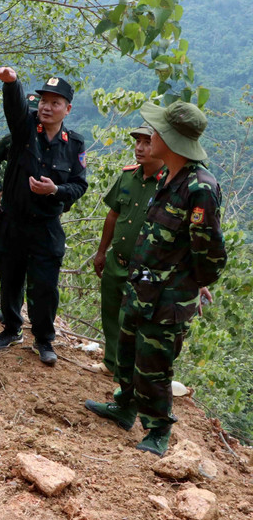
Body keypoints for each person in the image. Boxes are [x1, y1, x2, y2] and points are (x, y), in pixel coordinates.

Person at [85, 101, 227, 456]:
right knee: (129, 351)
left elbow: (210, 257)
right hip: (141, 287)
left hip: (168, 299)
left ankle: (158, 430)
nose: (151, 135)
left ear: (173, 140)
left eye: (158, 131)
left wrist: (188, 289)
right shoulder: (167, 177)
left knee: (154, 365)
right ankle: (124, 407)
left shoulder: (200, 189)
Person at [0, 68, 88, 365]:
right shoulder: (24, 130)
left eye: (54, 102)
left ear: (67, 109)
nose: (46, 106)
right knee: (9, 278)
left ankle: (43, 340)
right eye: (43, 100)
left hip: (46, 226)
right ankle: (11, 328)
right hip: (14, 222)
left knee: (45, 285)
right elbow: (16, 108)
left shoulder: (75, 144)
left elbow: (79, 185)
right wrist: (12, 84)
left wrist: (54, 189)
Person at [91, 125, 164, 376]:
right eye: (137, 142)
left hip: (144, 270)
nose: (140, 148)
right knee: (110, 315)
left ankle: (130, 373)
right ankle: (110, 363)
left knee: (132, 321)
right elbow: (113, 215)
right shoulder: (127, 176)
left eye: (147, 142)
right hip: (116, 260)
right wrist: (101, 252)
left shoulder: (169, 185)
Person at [0, 94, 38, 324]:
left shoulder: (53, 142)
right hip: (11, 212)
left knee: (36, 268)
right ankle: (10, 310)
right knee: (8, 265)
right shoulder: (11, 141)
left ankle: (34, 315)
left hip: (39, 215)